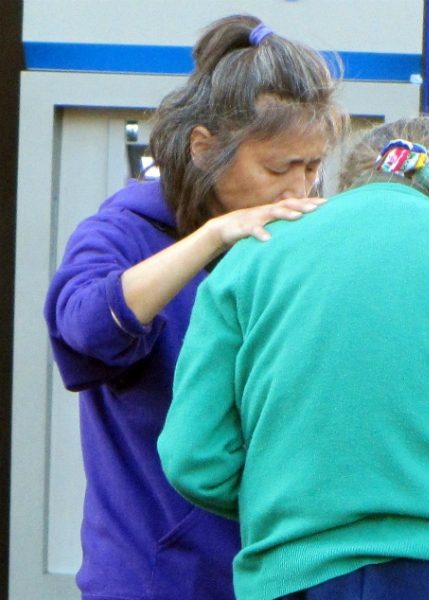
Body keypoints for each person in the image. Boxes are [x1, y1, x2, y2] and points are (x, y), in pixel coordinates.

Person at [157, 111, 429, 600]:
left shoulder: (252, 258)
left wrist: (288, 507)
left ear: (352, 178)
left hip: (298, 576)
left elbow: (193, 456)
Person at [44, 14, 345, 600]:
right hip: (159, 577)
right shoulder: (124, 230)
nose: (300, 191)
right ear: (205, 148)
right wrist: (211, 238)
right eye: (280, 168)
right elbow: (83, 328)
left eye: (313, 168)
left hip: (280, 574)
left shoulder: (299, 239)